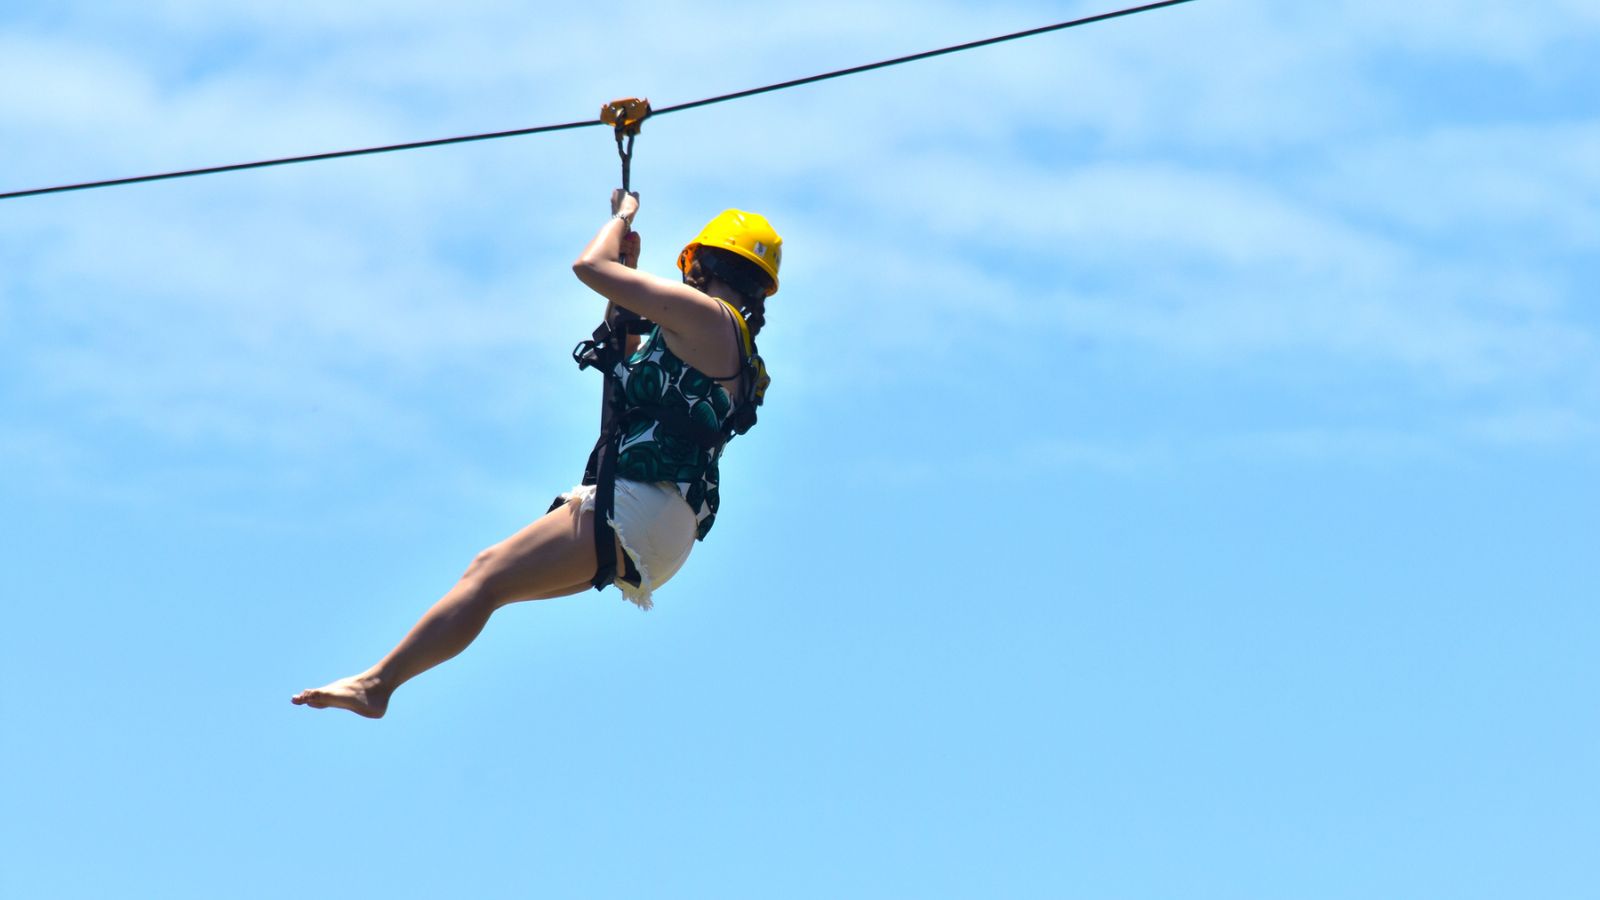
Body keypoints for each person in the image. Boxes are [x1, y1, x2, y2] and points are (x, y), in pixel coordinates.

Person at [291, 190, 781, 718]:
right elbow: (624, 360)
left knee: (484, 574)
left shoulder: (705, 315)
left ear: (702, 262)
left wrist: (620, 219)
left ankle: (377, 686)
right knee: (492, 588)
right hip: (666, 527)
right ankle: (380, 684)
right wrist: (629, 274)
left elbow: (587, 265)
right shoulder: (732, 348)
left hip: (642, 504)